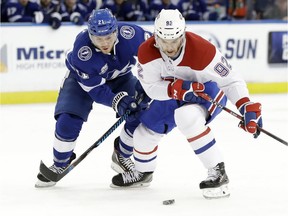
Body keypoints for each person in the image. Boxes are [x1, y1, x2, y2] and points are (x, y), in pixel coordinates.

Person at [111, 9, 263, 199]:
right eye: (164, 41)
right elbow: (150, 87)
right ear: (156, 36)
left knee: (186, 117)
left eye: (174, 40)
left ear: (182, 34)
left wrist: (246, 106)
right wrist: (175, 89)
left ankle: (217, 171)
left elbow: (230, 80)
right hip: (174, 91)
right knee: (142, 134)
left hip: (206, 91)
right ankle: (143, 173)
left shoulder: (203, 50)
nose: (170, 47)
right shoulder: (146, 51)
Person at [35, 8, 152, 188]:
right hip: (82, 80)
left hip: (121, 77)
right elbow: (96, 90)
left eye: (108, 37)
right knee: (68, 118)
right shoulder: (82, 51)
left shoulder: (131, 34)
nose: (104, 43)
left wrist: (150, 83)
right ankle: (60, 164)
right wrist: (118, 101)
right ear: (90, 35)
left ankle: (121, 155)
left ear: (115, 31)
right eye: (98, 38)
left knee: (141, 110)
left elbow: (156, 50)